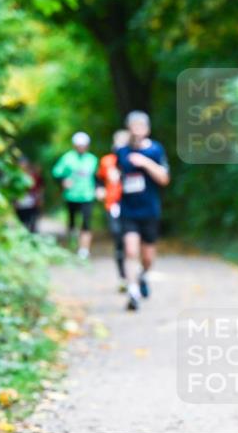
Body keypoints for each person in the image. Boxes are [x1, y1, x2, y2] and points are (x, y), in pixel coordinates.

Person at [116, 111, 170, 312]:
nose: (137, 130)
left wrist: (145, 163)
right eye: (134, 126)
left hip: (149, 210)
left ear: (147, 129)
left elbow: (164, 179)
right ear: (128, 128)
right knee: (130, 251)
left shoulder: (156, 150)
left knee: (148, 258)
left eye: (141, 126)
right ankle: (133, 292)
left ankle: (142, 275)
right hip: (128, 210)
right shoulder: (121, 152)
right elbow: (114, 175)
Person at [52, 132, 98, 259]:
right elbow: (56, 173)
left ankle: (84, 250)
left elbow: (97, 177)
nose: (81, 147)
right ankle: (71, 245)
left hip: (87, 195)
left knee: (86, 222)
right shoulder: (67, 158)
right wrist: (63, 181)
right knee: (72, 222)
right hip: (71, 196)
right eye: (79, 145)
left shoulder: (92, 159)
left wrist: (98, 188)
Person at [97, 129, 130, 291]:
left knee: (131, 240)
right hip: (113, 204)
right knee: (118, 237)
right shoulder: (107, 161)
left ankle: (135, 274)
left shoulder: (133, 160)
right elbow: (98, 178)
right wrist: (99, 189)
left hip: (131, 205)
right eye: (118, 142)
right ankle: (123, 276)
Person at [13, 157, 44, 233]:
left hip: (32, 203)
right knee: (22, 223)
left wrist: (40, 199)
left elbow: (40, 187)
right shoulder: (15, 176)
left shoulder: (34, 175)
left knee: (32, 224)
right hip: (20, 204)